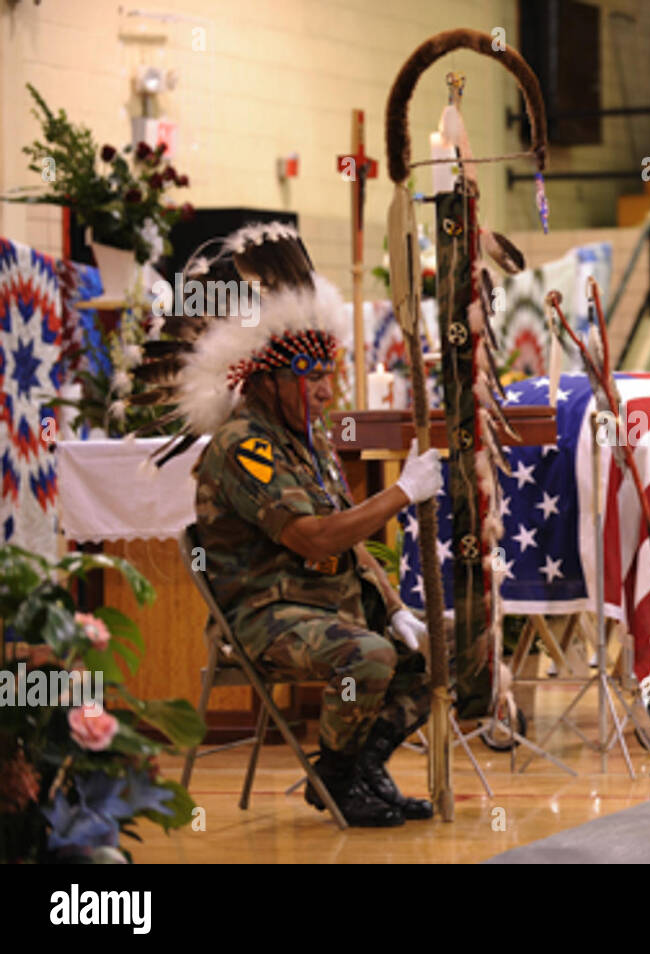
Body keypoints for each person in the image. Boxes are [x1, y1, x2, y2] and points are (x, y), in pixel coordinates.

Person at [149, 224, 444, 827]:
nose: (326, 392)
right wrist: (401, 493)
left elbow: (349, 543)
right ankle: (335, 778)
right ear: (267, 377)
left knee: (448, 648)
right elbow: (314, 537)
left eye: (327, 377)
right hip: (267, 616)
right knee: (365, 657)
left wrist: (392, 608)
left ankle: (360, 768)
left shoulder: (305, 443)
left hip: (328, 608)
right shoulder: (243, 445)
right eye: (313, 379)